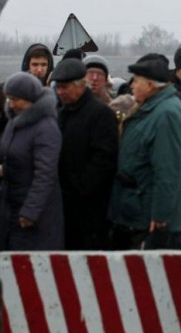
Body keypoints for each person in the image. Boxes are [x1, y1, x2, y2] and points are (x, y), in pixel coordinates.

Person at [108, 56, 181, 250]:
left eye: (136, 81)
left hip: (150, 219)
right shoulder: (152, 108)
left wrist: (160, 216)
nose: (132, 86)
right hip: (137, 210)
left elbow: (168, 169)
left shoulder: (166, 114)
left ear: (150, 85)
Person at [51, 59, 119, 250]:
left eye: (65, 87)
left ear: (81, 85)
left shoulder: (100, 114)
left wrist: (79, 188)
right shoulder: (62, 114)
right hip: (65, 205)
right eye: (58, 88)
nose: (60, 92)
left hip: (91, 209)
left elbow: (105, 159)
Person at [0, 73, 64, 250]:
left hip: (34, 215)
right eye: (9, 99)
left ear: (30, 99)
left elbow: (45, 174)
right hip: (11, 207)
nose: (11, 104)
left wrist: (30, 212)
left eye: (16, 99)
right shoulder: (14, 123)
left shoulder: (46, 127)